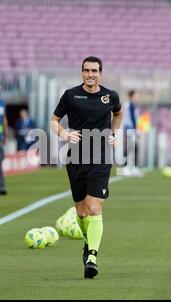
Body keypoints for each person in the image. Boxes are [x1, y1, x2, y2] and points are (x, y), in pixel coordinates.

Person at [50, 56, 123, 279]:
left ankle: (92, 256)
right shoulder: (71, 95)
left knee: (94, 208)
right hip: (76, 158)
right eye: (86, 70)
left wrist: (114, 132)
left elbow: (118, 113)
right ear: (82, 73)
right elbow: (54, 120)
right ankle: (87, 243)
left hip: (101, 157)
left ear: (101, 73)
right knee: (81, 211)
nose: (90, 74)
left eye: (94, 71)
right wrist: (64, 133)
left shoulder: (111, 96)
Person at [122, 90, 141, 175]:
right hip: (130, 129)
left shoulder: (131, 105)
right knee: (131, 148)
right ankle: (126, 167)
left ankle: (132, 167)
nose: (137, 97)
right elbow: (132, 118)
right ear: (131, 96)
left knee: (133, 148)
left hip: (130, 129)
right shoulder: (129, 105)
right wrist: (136, 129)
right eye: (136, 95)